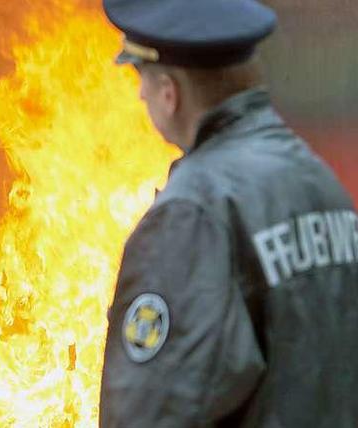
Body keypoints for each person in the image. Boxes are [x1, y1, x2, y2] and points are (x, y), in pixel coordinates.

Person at [99, 0, 358, 426]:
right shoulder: (319, 184)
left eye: (140, 77)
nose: (141, 93)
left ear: (170, 92)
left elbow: (154, 410)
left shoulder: (192, 213)